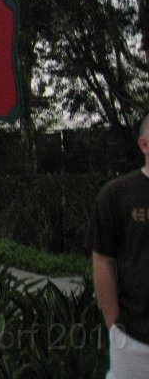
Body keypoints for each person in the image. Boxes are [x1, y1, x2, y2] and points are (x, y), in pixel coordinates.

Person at [92, 113, 149, 378]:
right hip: (134, 341)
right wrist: (113, 324)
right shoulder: (116, 195)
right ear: (144, 145)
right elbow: (103, 260)